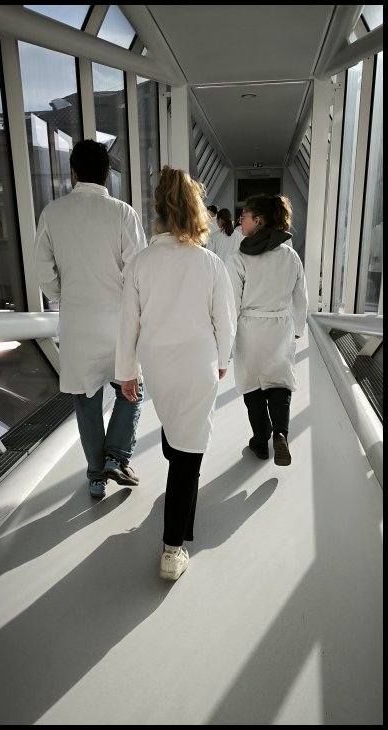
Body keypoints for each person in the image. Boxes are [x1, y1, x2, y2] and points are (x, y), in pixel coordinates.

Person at [115, 166, 236, 581]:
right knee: (188, 454)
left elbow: (128, 324)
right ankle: (172, 549)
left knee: (177, 437)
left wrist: (127, 373)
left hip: (158, 367)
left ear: (158, 211)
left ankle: (181, 517)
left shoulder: (140, 263)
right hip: (199, 362)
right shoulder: (209, 262)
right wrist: (222, 361)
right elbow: (224, 320)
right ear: (194, 210)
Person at [34, 139, 147, 498]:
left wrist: (62, 294)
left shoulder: (52, 213)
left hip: (77, 323)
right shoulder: (122, 213)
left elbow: (43, 271)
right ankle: (116, 456)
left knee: (86, 402)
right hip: (117, 322)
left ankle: (97, 477)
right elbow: (139, 269)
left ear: (73, 173)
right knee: (131, 389)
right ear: (107, 174)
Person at [227, 194, 308, 466]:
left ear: (258, 221)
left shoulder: (239, 257)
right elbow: (301, 297)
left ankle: (260, 442)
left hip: (250, 329)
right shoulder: (290, 256)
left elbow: (231, 302)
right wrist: (297, 329)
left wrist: (227, 337)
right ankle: (281, 433)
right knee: (279, 382)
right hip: (280, 326)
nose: (240, 221)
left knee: (253, 386)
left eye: (244, 217)